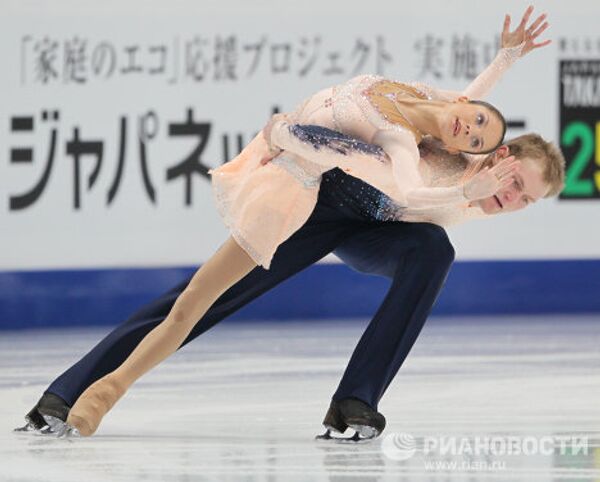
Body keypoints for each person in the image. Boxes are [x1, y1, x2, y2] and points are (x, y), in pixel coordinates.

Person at [17, 7, 558, 440]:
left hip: (376, 228)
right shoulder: (453, 151)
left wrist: (505, 60)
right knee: (200, 299)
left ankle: (355, 404)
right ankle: (64, 395)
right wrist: (470, 182)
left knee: (433, 250)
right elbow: (458, 117)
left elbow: (466, 107)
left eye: (525, 202)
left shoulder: (473, 151)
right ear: (499, 156)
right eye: (515, 183)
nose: (511, 199)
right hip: (318, 203)